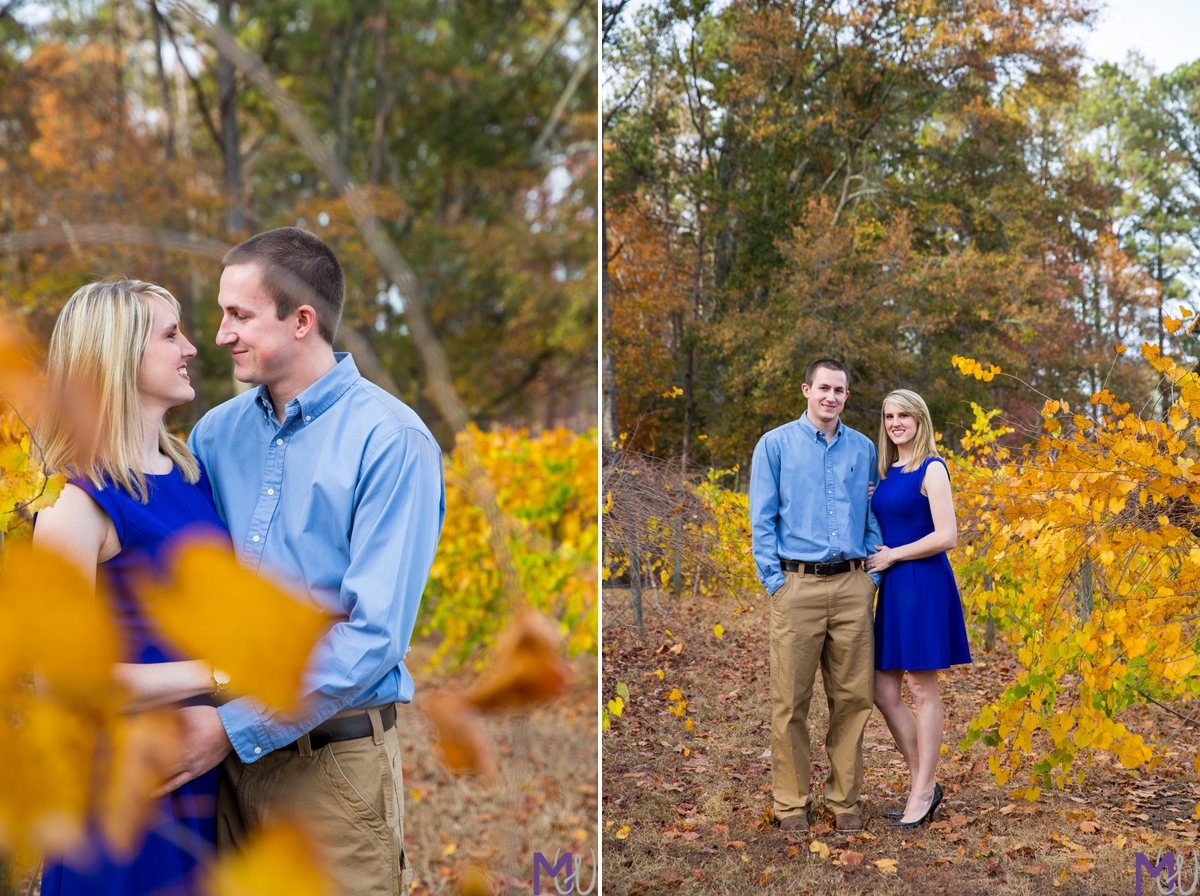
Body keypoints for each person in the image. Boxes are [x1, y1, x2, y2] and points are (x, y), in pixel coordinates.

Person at [166, 227, 445, 895]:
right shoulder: (214, 433)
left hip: (332, 771)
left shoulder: (392, 440)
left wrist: (233, 727)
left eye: (240, 315)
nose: (221, 334)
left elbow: (374, 635)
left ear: (301, 320)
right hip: (220, 772)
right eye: (221, 315)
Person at [34, 279, 232, 895]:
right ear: (118, 355)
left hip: (200, 781)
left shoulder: (191, 476)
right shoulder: (76, 500)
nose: (192, 348)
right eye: (172, 334)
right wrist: (218, 674)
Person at [749, 358, 882, 834]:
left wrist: (871, 577)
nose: (831, 396)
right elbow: (761, 519)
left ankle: (844, 799)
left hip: (852, 587)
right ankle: (790, 803)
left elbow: (872, 514)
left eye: (840, 390)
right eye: (823, 388)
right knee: (790, 702)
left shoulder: (865, 449)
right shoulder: (775, 445)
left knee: (852, 699)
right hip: (796, 585)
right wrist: (775, 581)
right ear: (806, 389)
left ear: (847, 396)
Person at [866, 389, 972, 827]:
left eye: (904, 416)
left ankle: (923, 789)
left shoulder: (933, 468)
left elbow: (947, 535)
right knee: (882, 691)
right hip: (892, 587)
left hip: (922, 582)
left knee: (923, 688)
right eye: (890, 416)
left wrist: (893, 555)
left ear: (920, 420)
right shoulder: (886, 473)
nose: (896, 423)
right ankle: (923, 784)